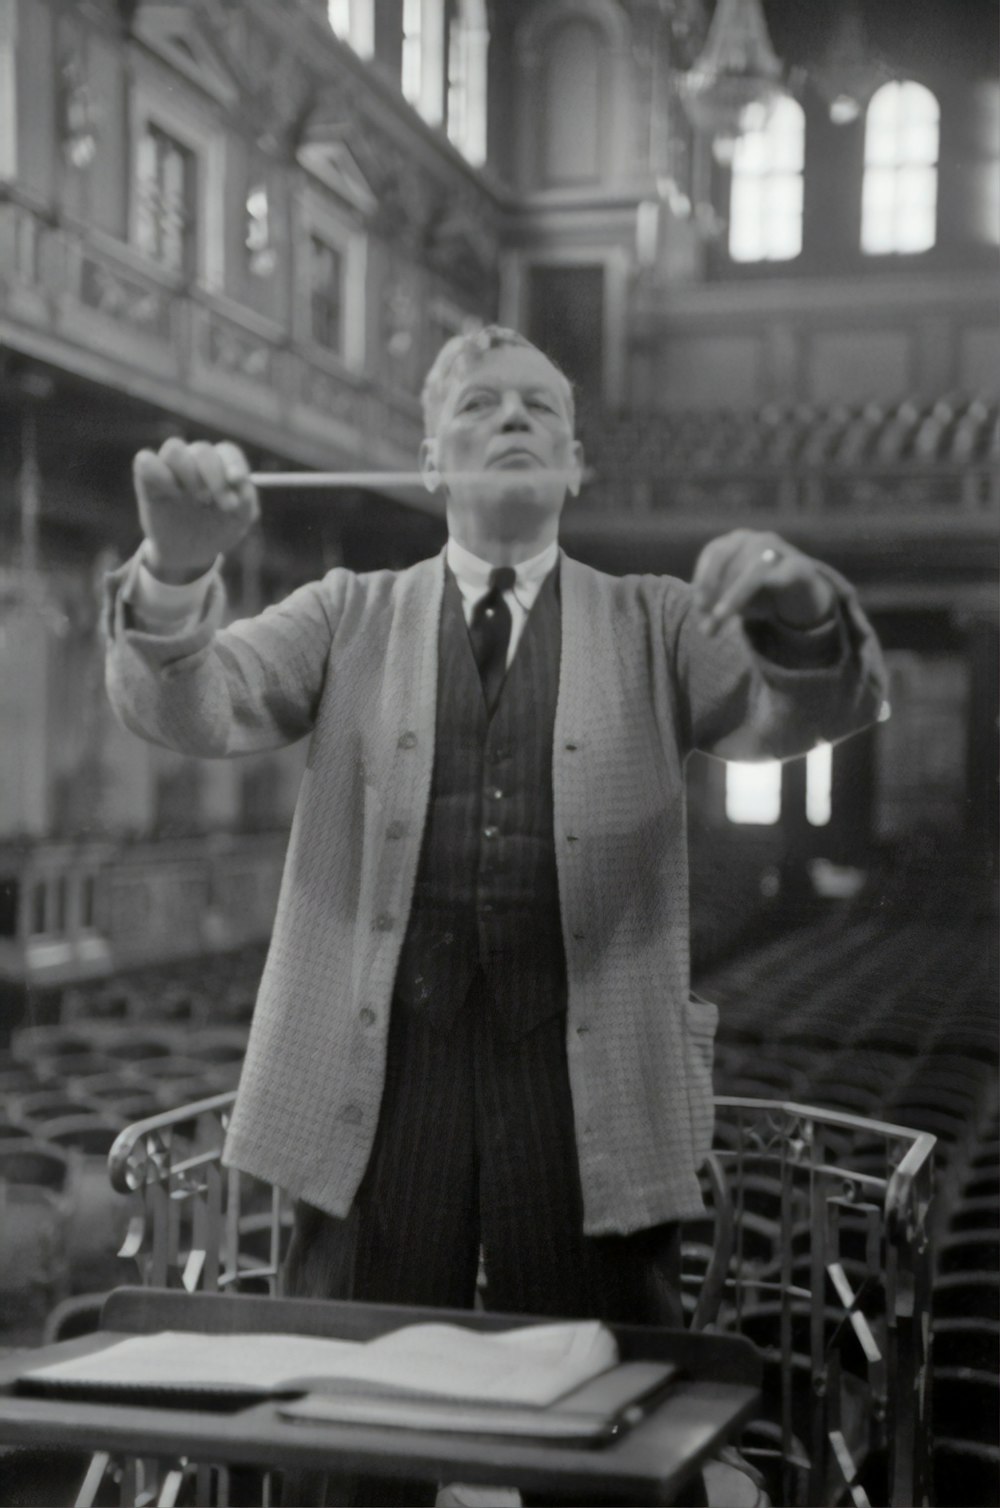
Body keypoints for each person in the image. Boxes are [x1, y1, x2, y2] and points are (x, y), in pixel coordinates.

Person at [104, 325, 885, 1504]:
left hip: (587, 1103)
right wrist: (171, 572)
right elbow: (196, 707)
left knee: (606, 1440)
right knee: (349, 1443)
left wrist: (805, 603)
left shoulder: (660, 622)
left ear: (576, 465)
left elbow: (797, 715)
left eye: (539, 408)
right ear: (429, 462)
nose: (511, 417)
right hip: (373, 1097)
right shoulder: (344, 611)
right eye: (478, 405)